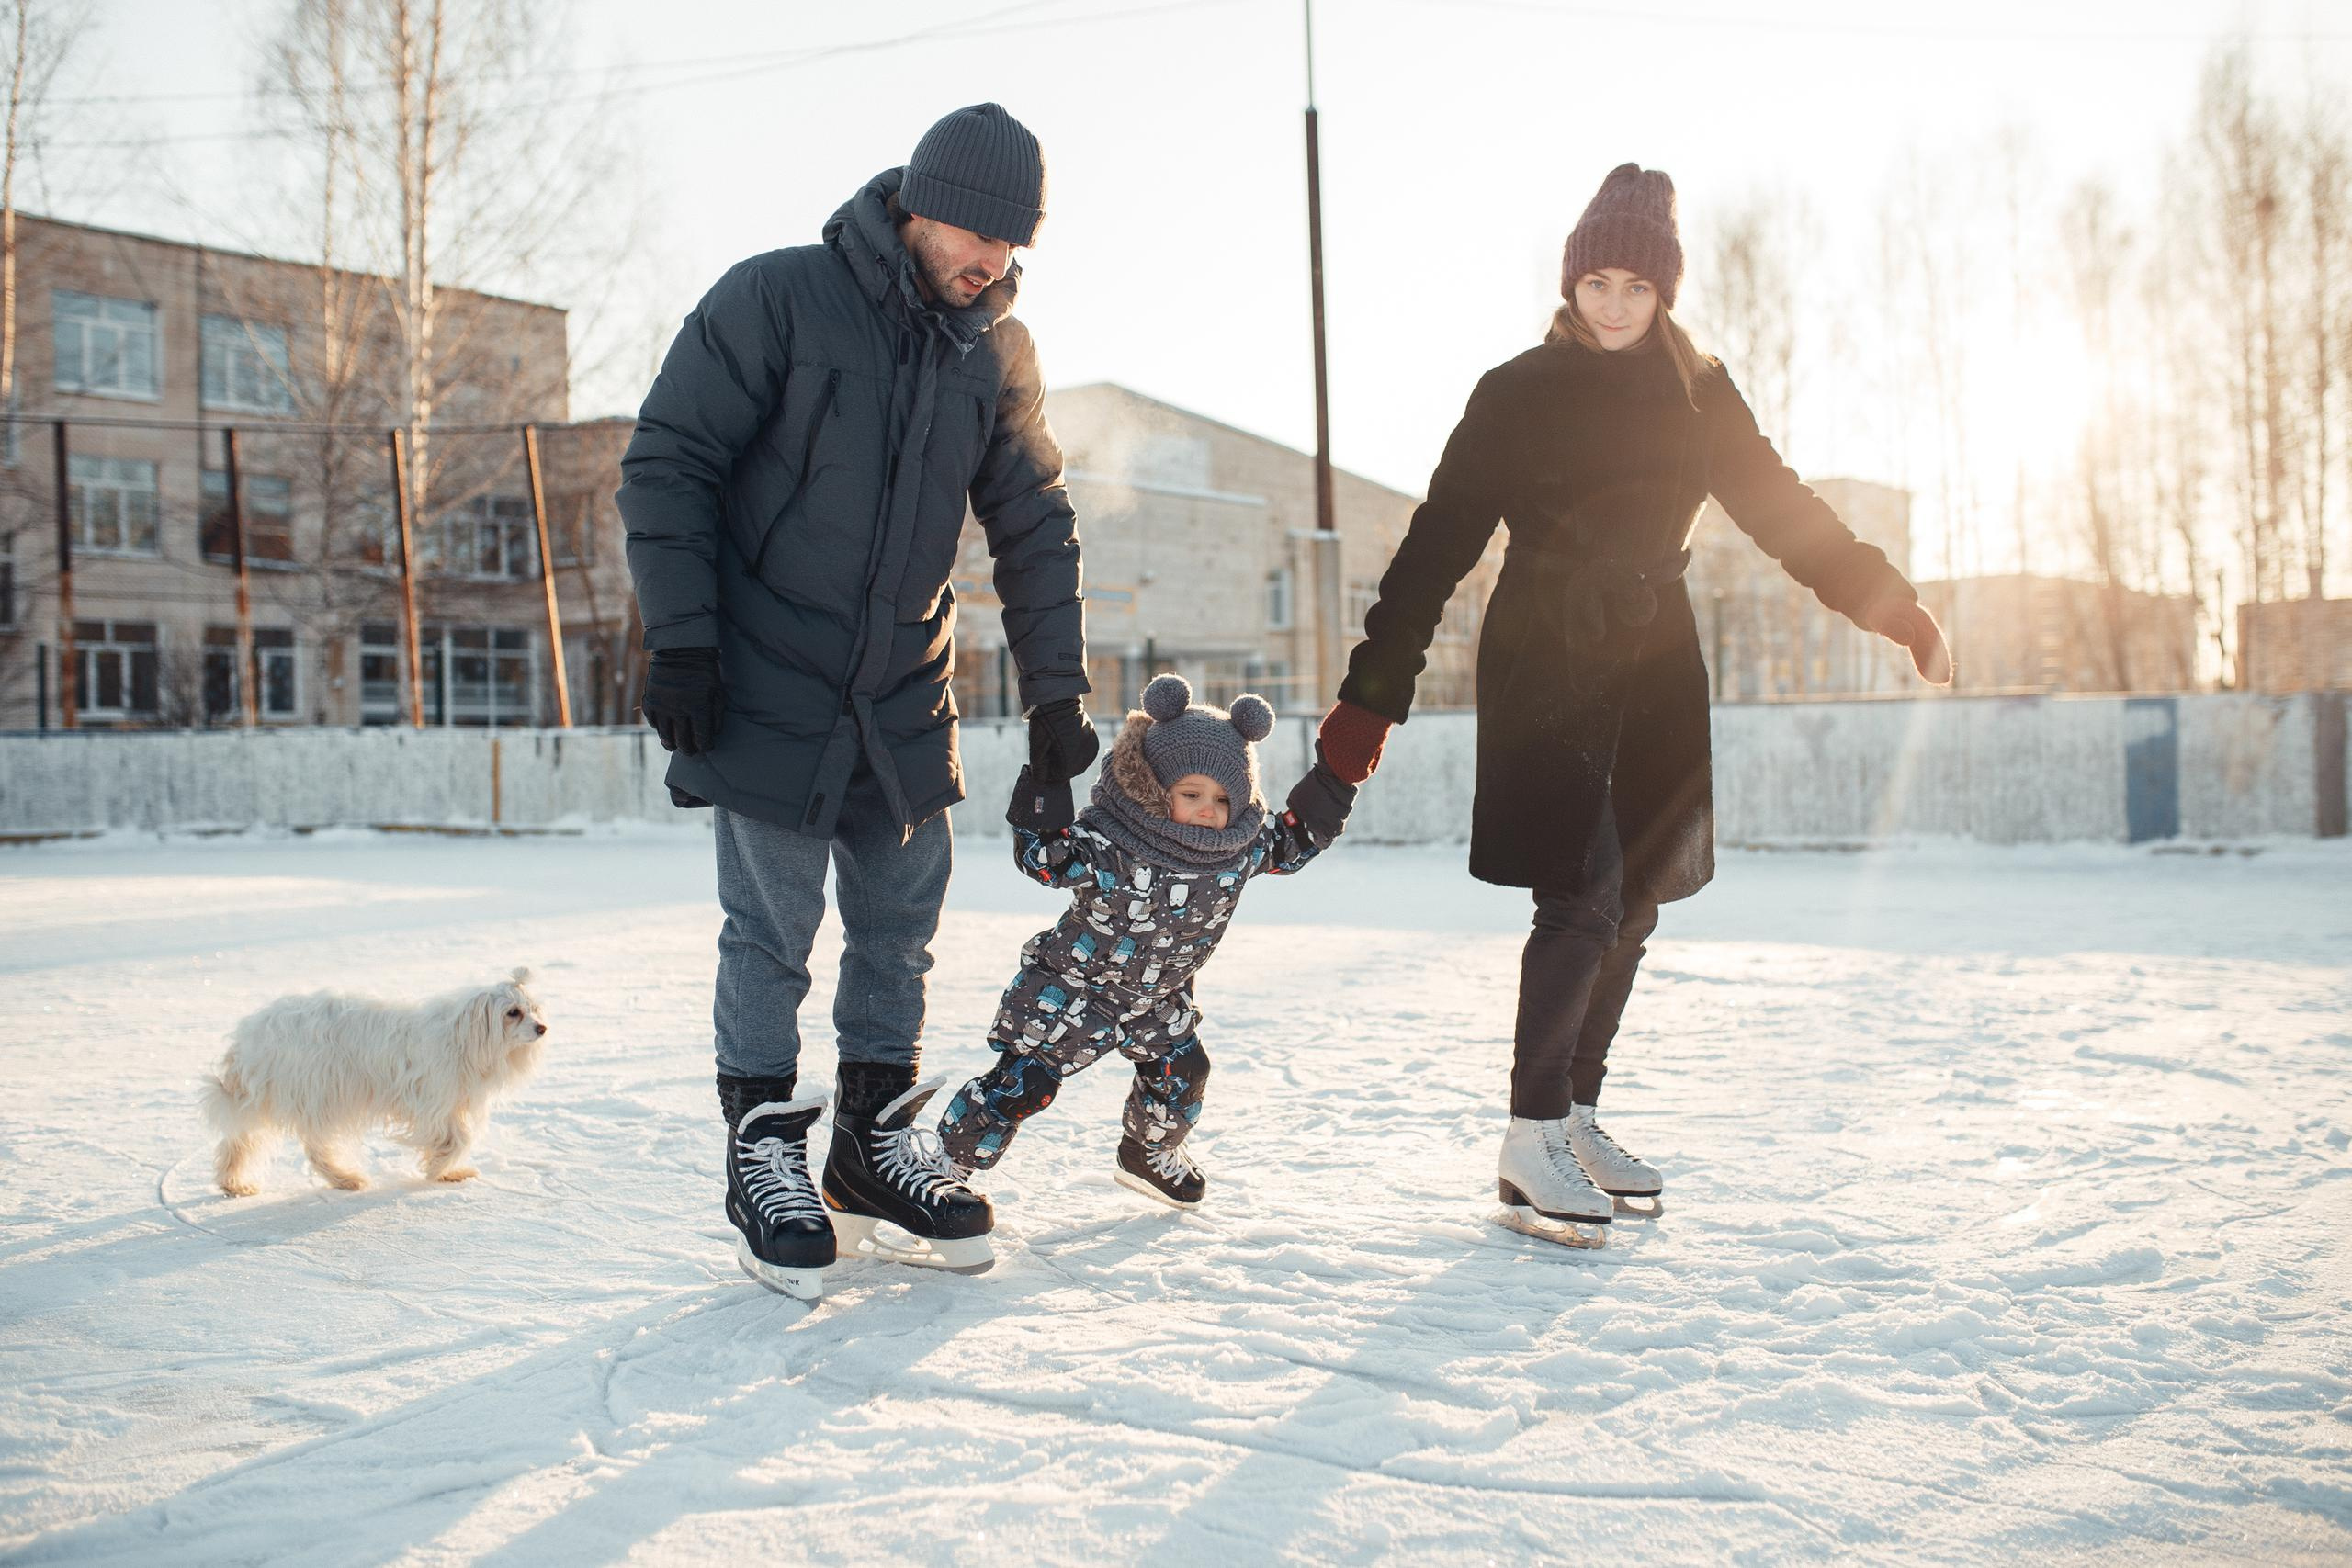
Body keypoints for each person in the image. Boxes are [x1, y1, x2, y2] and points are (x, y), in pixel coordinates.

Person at [1317, 164, 1953, 1247]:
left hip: (1657, 655)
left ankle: (1573, 1116)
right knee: (1580, 890)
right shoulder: (1514, 391)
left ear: (1665, 294)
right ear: (1570, 284)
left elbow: (1783, 510)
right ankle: (1526, 1140)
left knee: (1639, 894)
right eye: (1595, 281)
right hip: (1547, 649)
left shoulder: (1700, 393)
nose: (1612, 305)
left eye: (1634, 287)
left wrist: (1889, 605)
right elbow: (1436, 547)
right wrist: (1371, 697)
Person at [616, 104, 1101, 1301]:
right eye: (974, 233)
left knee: (899, 929)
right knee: (769, 937)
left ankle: (870, 1151)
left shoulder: (995, 349)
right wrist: (683, 640)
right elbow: (667, 461)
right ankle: (765, 1158)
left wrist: (1056, 700)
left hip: (899, 691)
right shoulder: (777, 298)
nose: (991, 260)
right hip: (766, 675)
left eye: (1012, 243)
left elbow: (1033, 528)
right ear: (916, 204)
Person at [935, 674, 1355, 1209]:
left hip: (1158, 996)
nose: (1210, 809)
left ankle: (1145, 1152)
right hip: (1075, 990)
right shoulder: (1114, 842)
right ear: (1154, 789)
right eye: (1191, 793)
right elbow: (1045, 858)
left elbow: (1296, 838)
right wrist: (1046, 780)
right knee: (1024, 1085)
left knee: (1184, 1072)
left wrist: (1336, 778)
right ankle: (948, 1164)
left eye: (1224, 797)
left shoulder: (1237, 849)